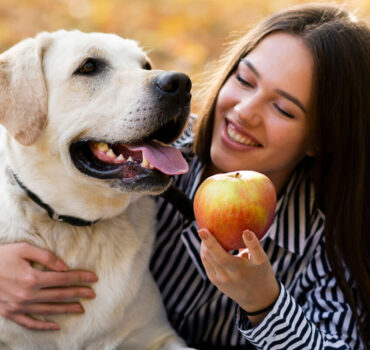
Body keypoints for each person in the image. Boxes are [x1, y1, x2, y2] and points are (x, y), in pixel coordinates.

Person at [0, 3, 369, 349]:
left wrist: (265, 304)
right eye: (244, 80)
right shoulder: (155, 158)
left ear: (320, 139)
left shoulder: (331, 244)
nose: (244, 111)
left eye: (283, 109)